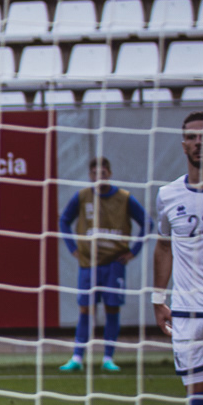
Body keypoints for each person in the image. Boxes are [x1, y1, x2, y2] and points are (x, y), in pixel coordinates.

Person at [153, 108, 203, 405]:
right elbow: (163, 246)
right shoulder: (168, 194)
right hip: (187, 315)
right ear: (183, 143)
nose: (199, 143)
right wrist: (158, 299)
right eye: (192, 137)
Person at [58, 156, 147, 374]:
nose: (99, 176)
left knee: (111, 309)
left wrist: (133, 251)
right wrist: (72, 247)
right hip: (88, 264)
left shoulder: (124, 198)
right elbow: (64, 220)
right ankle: (77, 357)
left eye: (103, 173)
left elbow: (147, 223)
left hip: (114, 264)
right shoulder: (82, 197)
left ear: (110, 173)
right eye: (95, 173)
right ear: (90, 175)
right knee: (85, 309)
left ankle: (108, 357)